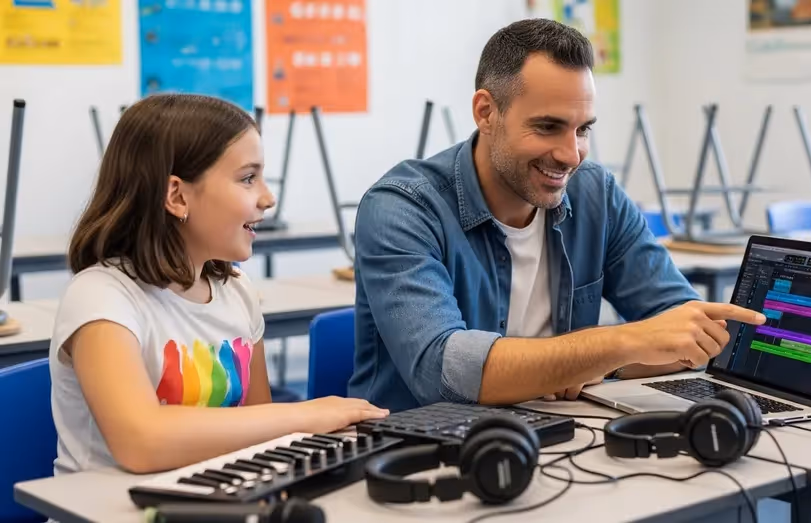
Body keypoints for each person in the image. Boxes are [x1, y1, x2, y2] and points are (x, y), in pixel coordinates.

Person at [348, 19, 765, 413]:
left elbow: (687, 332)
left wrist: (598, 362)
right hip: (417, 460)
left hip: (561, 443)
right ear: (486, 112)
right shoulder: (402, 207)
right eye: (548, 127)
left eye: (582, 129)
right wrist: (611, 346)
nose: (571, 155)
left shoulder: (596, 194)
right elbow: (442, 370)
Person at [50, 94, 388, 475]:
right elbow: (140, 441)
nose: (268, 197)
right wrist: (301, 416)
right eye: (248, 178)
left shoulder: (236, 292)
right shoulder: (102, 296)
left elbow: (262, 430)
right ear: (177, 196)